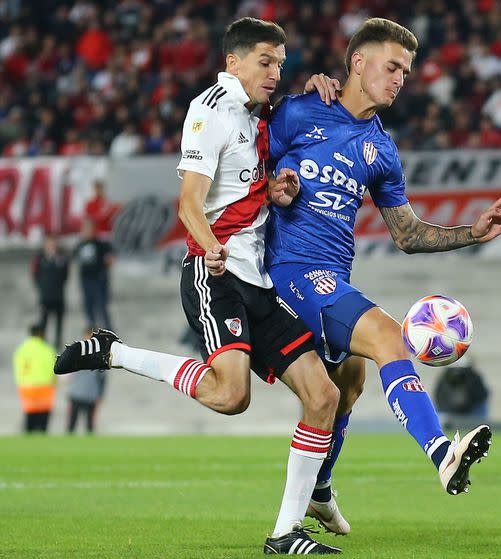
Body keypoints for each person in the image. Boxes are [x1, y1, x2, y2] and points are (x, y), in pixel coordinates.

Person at [55, 18, 349, 555]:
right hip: (213, 274)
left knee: (324, 395)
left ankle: (285, 534)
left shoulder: (259, 115)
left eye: (280, 62)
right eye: (265, 61)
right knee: (231, 395)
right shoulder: (210, 110)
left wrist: (275, 190)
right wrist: (210, 245)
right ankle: (114, 353)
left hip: (258, 280)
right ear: (233, 62)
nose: (275, 71)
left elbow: (243, 189)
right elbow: (190, 201)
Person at [260, 18, 501, 532]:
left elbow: (406, 234)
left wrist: (473, 232)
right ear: (357, 62)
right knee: (388, 337)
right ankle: (441, 453)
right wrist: (276, 186)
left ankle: (319, 489)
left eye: (406, 70)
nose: (401, 78)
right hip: (290, 270)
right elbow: (245, 167)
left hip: (331, 274)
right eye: (392, 66)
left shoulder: (380, 149)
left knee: (348, 384)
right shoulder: (297, 112)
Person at [13, 324, 57, 433]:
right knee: (43, 415)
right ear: (41, 334)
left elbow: (18, 366)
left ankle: (28, 436)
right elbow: (53, 367)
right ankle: (41, 439)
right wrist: (54, 381)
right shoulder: (46, 349)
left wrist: (21, 382)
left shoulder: (22, 349)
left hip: (26, 386)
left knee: (30, 414)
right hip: (44, 386)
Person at [73, 218, 114, 330]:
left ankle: (109, 332)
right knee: (88, 308)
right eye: (85, 228)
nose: (87, 231)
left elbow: (110, 258)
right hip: (86, 280)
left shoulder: (101, 244)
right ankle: (91, 333)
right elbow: (75, 258)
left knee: (102, 308)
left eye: (89, 228)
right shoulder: (80, 244)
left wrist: (104, 270)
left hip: (98, 280)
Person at [31, 233, 70, 350]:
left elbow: (65, 275)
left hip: (58, 296)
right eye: (48, 243)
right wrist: (42, 287)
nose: (51, 245)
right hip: (45, 297)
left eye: (53, 243)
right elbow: (35, 275)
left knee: (59, 322)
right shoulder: (40, 258)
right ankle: (41, 343)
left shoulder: (62, 258)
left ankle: (57, 344)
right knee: (43, 321)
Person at [66, 328, 108, 434]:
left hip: (91, 393)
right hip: (76, 393)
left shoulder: (101, 355)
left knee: (90, 425)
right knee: (71, 424)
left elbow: (102, 378)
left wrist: (100, 394)